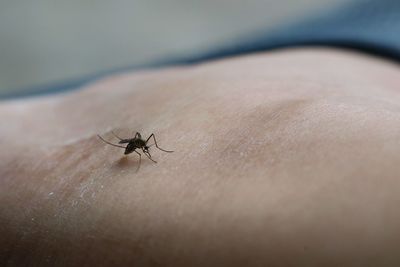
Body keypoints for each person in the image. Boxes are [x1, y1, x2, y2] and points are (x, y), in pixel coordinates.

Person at [1, 0, 400, 266]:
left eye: (140, 145)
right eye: (139, 144)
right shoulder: (132, 144)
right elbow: (134, 142)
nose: (141, 145)